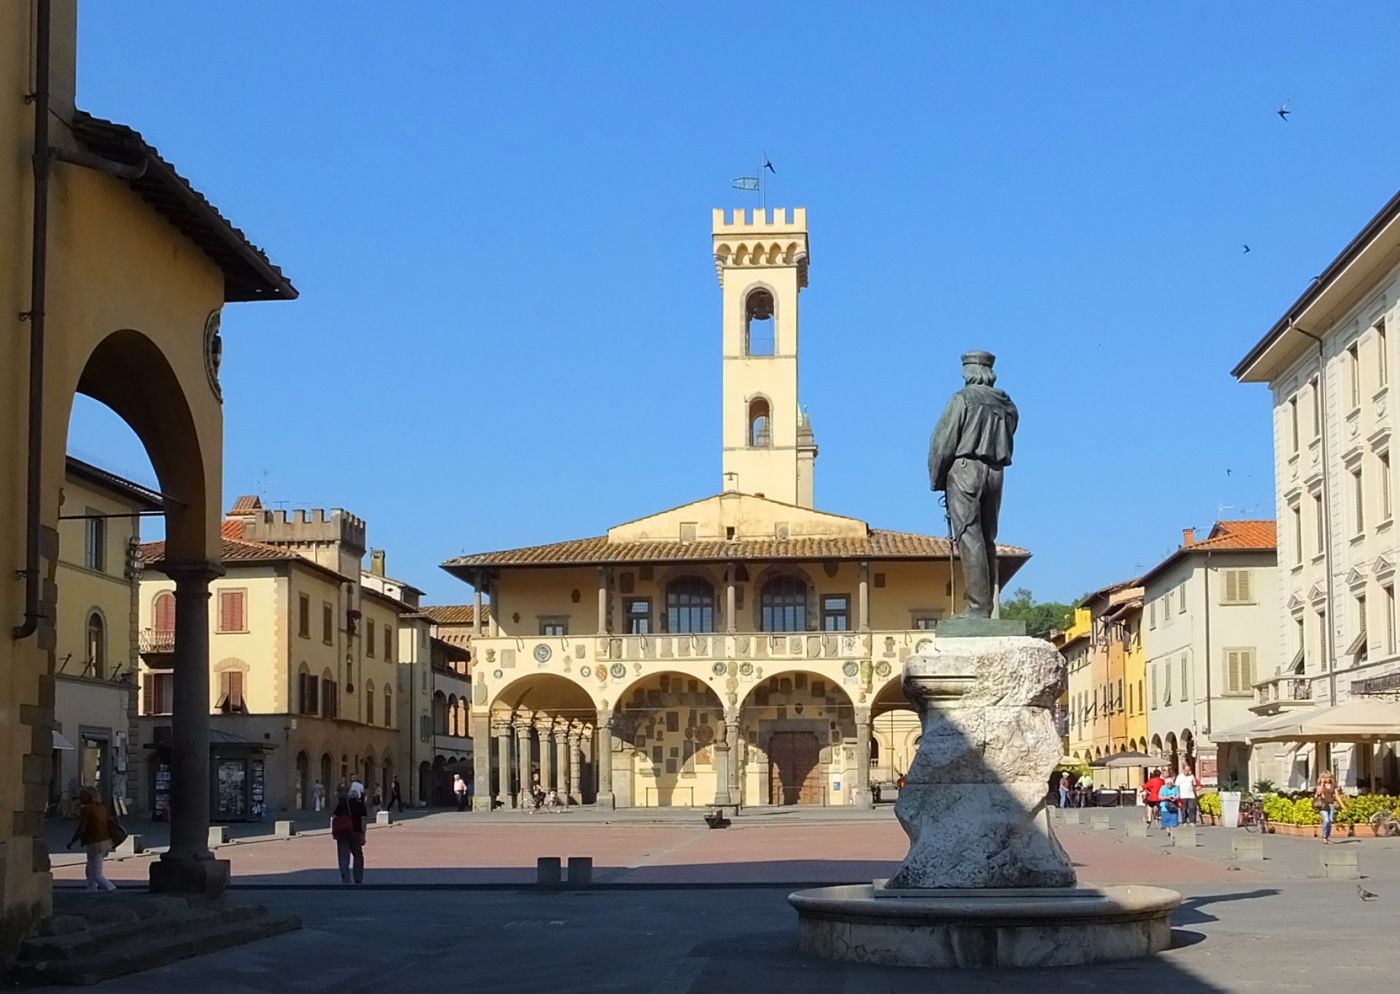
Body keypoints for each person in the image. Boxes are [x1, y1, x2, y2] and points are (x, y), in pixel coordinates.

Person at [926, 350, 1019, 617]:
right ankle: (986, 607)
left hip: (965, 470)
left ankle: (978, 609)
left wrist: (937, 478)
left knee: (969, 537)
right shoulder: (1006, 404)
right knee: (988, 538)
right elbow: (1011, 431)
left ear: (969, 372)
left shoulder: (962, 399)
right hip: (995, 472)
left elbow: (942, 442)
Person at [66, 787, 117, 893]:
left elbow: (82, 828)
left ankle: (111, 889)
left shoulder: (86, 809)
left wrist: (72, 841)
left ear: (89, 796)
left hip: (95, 842)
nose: (80, 797)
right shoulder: (102, 808)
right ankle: (91, 889)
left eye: (82, 795)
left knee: (96, 873)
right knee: (90, 869)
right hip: (105, 841)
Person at [331, 782, 368, 884]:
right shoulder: (361, 806)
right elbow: (363, 821)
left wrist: (333, 831)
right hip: (356, 833)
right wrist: (363, 835)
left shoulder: (342, 804)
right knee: (358, 855)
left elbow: (334, 818)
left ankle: (345, 879)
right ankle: (358, 879)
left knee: (343, 856)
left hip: (343, 833)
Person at [1314, 771, 1348, 845]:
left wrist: (1342, 805)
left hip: (1331, 805)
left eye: (1329, 777)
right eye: (1326, 777)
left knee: (1330, 821)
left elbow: (1337, 796)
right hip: (1323, 805)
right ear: (1323, 778)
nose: (1328, 779)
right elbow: (1319, 793)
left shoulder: (1333, 785)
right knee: (1326, 820)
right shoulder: (1320, 784)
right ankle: (1324, 836)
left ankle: (1327, 837)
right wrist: (1322, 783)